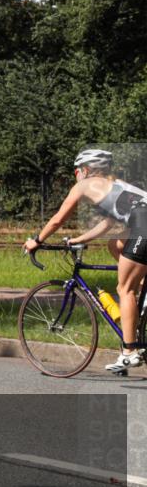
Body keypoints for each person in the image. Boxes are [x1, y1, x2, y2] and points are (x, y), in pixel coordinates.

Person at [23, 149, 147, 373]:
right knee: (115, 245)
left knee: (124, 288)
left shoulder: (83, 186)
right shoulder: (116, 184)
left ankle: (129, 352)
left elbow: (58, 219)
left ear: (85, 170)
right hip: (141, 226)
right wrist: (77, 240)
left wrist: (37, 240)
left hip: (144, 227)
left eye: (76, 171)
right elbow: (108, 224)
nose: (76, 176)